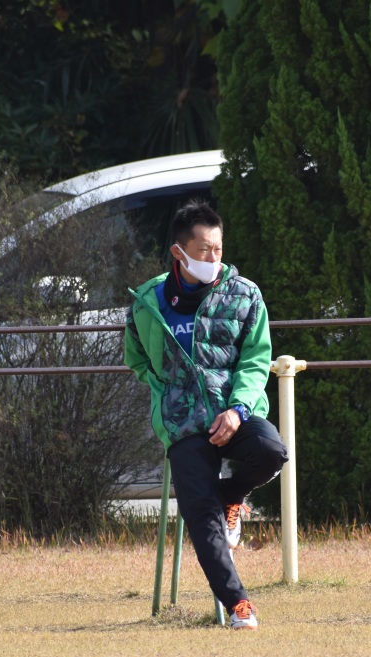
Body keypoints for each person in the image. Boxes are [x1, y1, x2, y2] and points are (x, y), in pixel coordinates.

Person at [124, 200, 288, 631]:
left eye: (218, 249)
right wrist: (167, 393)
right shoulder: (147, 302)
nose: (213, 258)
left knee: (271, 451)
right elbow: (137, 359)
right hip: (183, 426)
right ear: (179, 253)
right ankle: (239, 605)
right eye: (203, 250)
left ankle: (231, 495)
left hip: (235, 413)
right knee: (199, 512)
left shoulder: (245, 295)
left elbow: (256, 360)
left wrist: (237, 409)